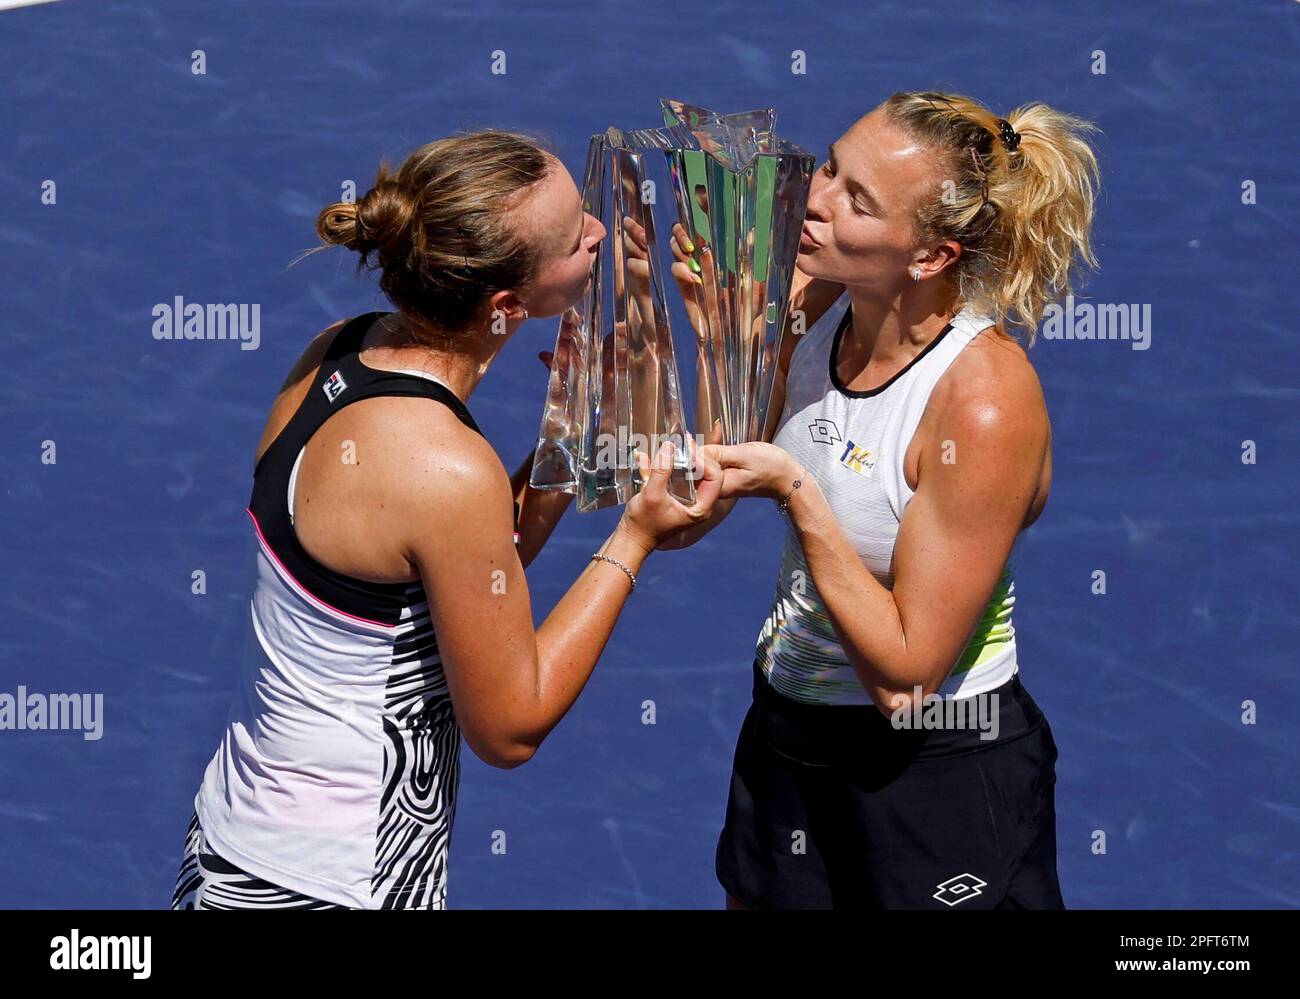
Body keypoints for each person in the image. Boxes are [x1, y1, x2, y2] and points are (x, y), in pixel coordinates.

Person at [170, 130, 721, 910]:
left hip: (234, 847)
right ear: (507, 305)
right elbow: (509, 727)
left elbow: (466, 576)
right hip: (339, 884)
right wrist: (634, 536)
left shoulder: (336, 352)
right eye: (574, 239)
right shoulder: (445, 467)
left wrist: (574, 431)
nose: (599, 234)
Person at [670, 91, 1099, 909]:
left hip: (930, 775)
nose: (816, 199)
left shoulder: (982, 402)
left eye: (856, 200)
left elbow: (906, 680)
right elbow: (708, 500)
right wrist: (723, 340)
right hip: (787, 743)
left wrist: (798, 493)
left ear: (931, 255)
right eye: (831, 165)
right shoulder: (816, 300)